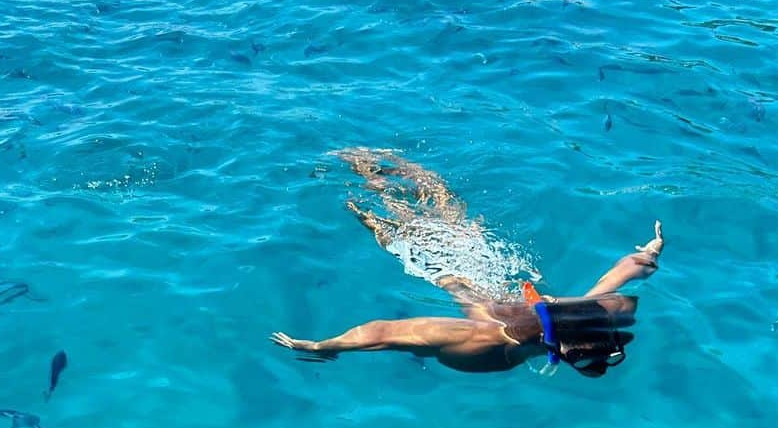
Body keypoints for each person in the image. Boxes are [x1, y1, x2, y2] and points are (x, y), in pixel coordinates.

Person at [271, 150, 664, 377]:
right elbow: (386, 331)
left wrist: (652, 252)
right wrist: (326, 346)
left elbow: (626, 270)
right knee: (401, 233)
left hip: (490, 276)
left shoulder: (584, 314)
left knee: (446, 219)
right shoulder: (484, 341)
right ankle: (358, 180)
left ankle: (372, 168)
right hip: (466, 288)